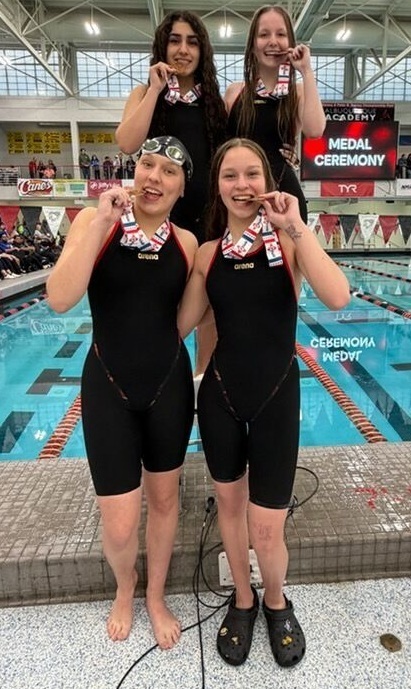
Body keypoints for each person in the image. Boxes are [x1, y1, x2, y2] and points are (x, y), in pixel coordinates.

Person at [177, 138, 350, 669]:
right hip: (222, 397)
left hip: (277, 395)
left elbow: (339, 295)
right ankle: (244, 599)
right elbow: (179, 325)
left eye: (252, 173)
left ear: (267, 182)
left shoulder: (288, 242)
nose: (243, 184)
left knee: (267, 526)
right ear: (218, 186)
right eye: (230, 175)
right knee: (229, 510)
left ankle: (276, 600)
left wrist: (297, 224)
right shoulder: (208, 254)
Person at [47, 135, 197, 647]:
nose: (154, 177)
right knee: (117, 525)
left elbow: (185, 321)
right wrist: (102, 223)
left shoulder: (187, 243)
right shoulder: (95, 223)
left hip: (168, 387)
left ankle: (154, 595)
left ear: (181, 188)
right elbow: (60, 299)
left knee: (163, 501)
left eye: (168, 173)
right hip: (107, 385)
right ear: (134, 172)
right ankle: (125, 584)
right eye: (147, 166)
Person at [116, 11, 228, 375]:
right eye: (175, 40)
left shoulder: (213, 102)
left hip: (208, 220)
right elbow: (127, 143)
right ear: (162, 45)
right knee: (158, 309)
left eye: (192, 42)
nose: (183, 49)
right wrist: (154, 91)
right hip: (157, 221)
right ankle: (159, 382)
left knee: (208, 312)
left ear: (203, 51)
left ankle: (202, 388)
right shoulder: (144, 94)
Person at [224, 5, 326, 223]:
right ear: (253, 45)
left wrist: (306, 70)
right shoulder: (235, 93)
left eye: (281, 34)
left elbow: (315, 130)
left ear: (290, 43)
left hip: (283, 195)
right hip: (242, 196)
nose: (273, 41)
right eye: (264, 34)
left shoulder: (297, 92)